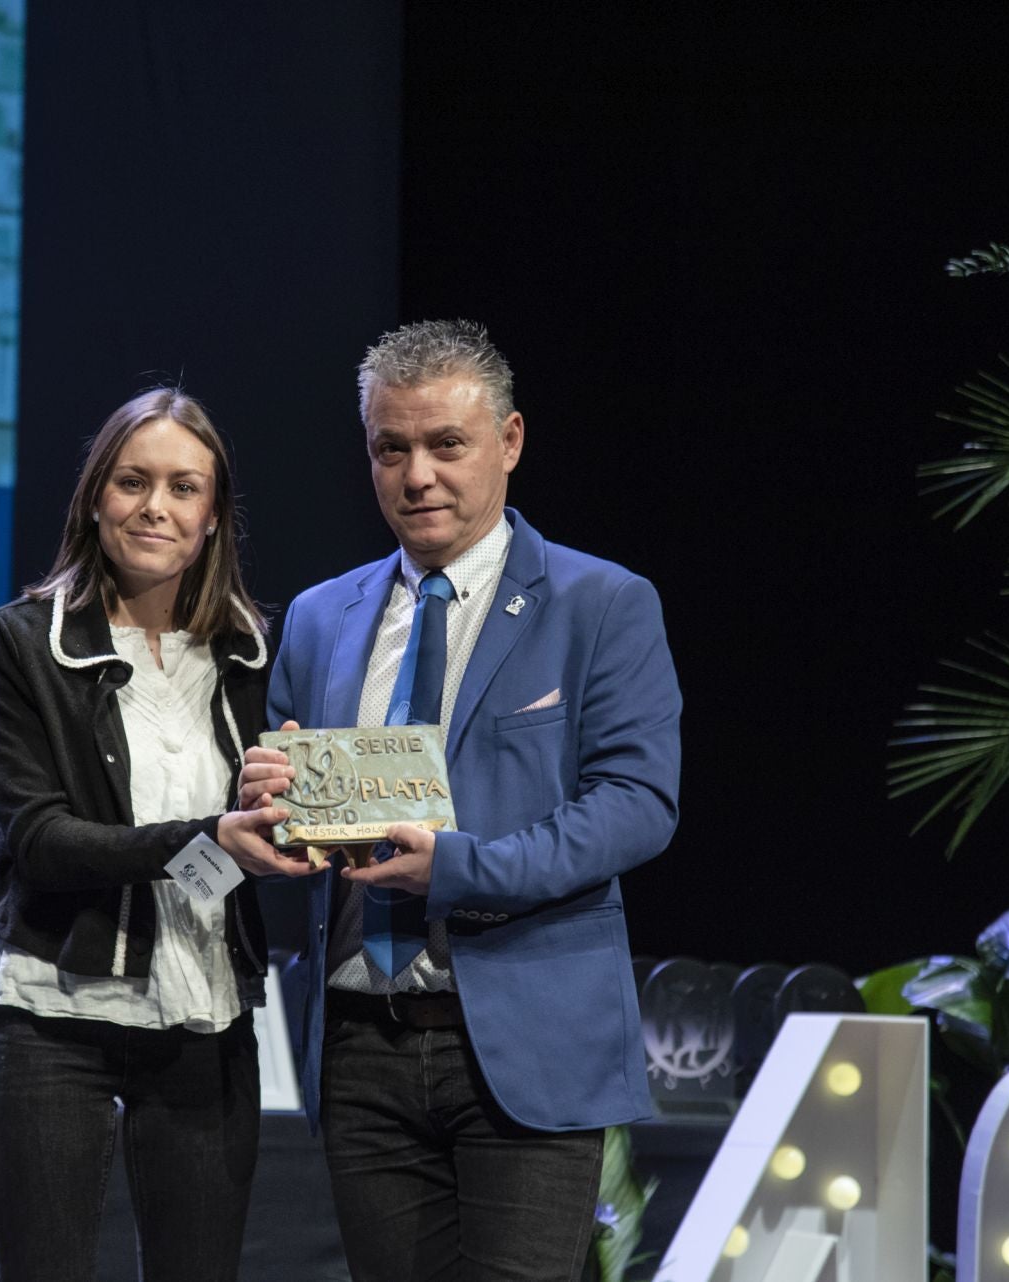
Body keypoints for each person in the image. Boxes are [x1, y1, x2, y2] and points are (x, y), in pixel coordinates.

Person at [242, 321, 682, 1281]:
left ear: (510, 441)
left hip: (525, 1048)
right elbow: (296, 801)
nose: (418, 476)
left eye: (448, 445)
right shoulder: (320, 619)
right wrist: (266, 811)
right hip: (363, 1047)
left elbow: (639, 803)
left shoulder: (600, 604)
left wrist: (463, 868)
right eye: (390, 449)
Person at [0, 387, 311, 1281]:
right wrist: (215, 838)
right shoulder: (22, 642)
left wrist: (298, 835)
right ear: (95, 497)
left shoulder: (255, 654)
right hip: (57, 1018)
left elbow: (255, 838)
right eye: (132, 481)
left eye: (183, 488)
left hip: (207, 1016)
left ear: (213, 518)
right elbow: (41, 842)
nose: (155, 506)